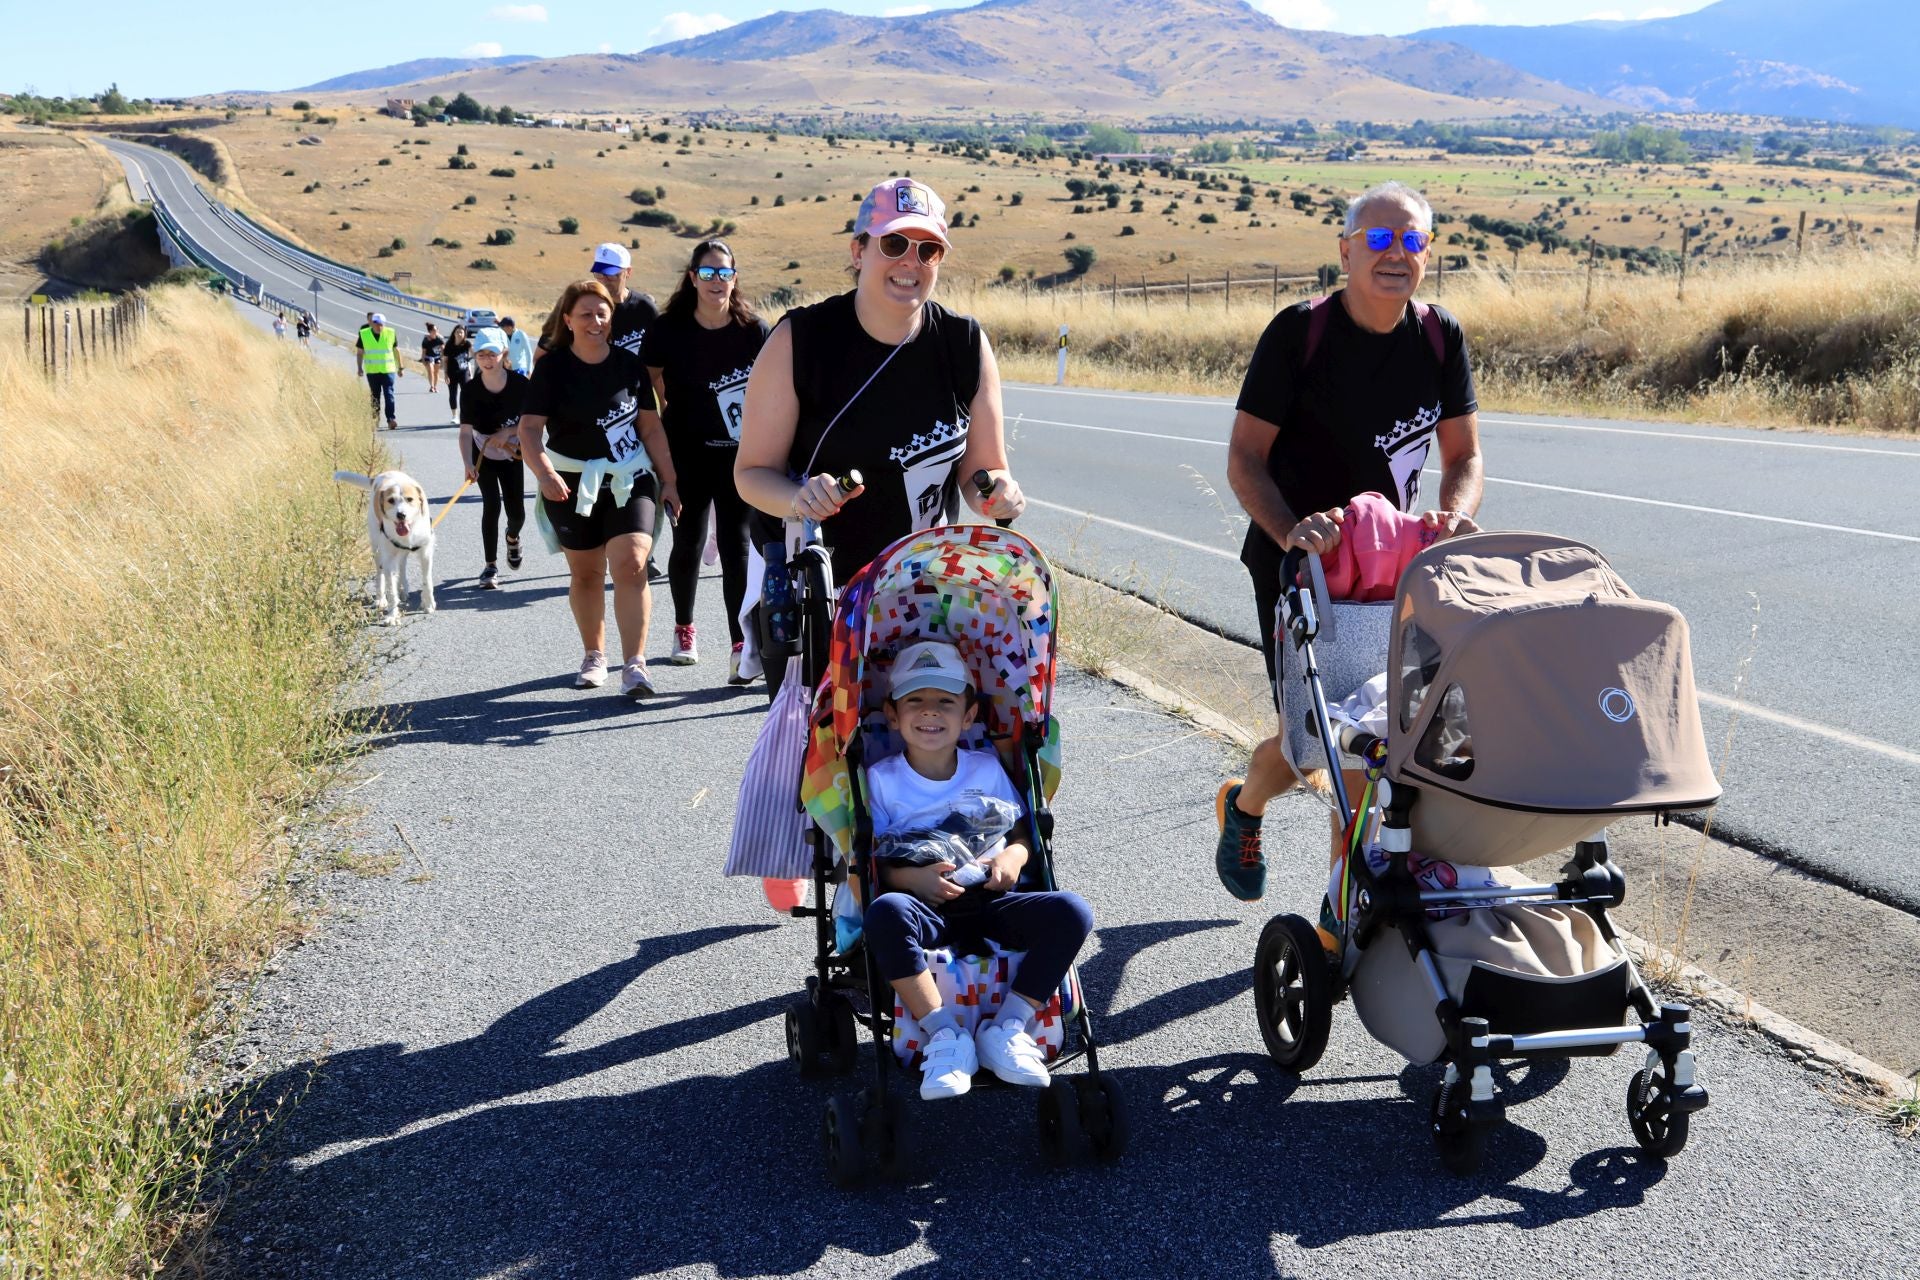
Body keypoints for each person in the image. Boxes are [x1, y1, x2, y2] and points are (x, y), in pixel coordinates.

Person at [1213, 179, 1485, 911]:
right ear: (1345, 250)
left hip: (1393, 567)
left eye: (1411, 241)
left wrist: (1453, 514)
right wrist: (1290, 531)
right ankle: (1341, 896)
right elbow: (1244, 457)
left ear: (1427, 253)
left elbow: (1463, 457)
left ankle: (1342, 904)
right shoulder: (1298, 334)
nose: (1395, 254)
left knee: (1377, 735)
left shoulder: (1438, 336)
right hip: (1301, 570)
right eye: (1378, 239)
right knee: (1326, 742)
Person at [736, 177, 1024, 697]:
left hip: (926, 590)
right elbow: (752, 474)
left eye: (928, 249)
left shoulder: (963, 344)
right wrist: (800, 497)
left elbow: (984, 469)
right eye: (893, 244)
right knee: (828, 755)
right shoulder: (801, 340)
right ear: (858, 250)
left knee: (922, 742)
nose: (910, 262)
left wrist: (997, 489)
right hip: (818, 595)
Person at [861, 640, 1093, 1101]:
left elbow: (1023, 836)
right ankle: (946, 1035)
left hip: (990, 898)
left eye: (945, 702)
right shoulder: (880, 779)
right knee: (885, 912)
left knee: (1072, 911)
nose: (930, 712)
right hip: (924, 902)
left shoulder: (985, 768)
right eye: (915, 701)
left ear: (968, 716)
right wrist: (916, 880)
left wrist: (1011, 858)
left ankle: (1008, 1027)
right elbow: (876, 867)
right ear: (892, 714)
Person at [516, 278, 680, 698]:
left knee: (631, 563)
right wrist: (544, 473)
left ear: (612, 319)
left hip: (631, 477)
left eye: (602, 313)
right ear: (568, 320)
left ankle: (635, 665)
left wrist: (671, 480)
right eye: (586, 314)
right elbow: (530, 429)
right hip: (570, 484)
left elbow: (650, 426)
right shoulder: (552, 368)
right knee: (587, 573)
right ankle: (594, 655)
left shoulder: (630, 365)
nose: (595, 321)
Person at [642, 238, 768, 680]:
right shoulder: (668, 328)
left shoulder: (753, 329)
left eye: (725, 273)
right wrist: (676, 409)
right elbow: (652, 381)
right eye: (708, 273)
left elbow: (771, 388)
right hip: (686, 453)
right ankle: (684, 628)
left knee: (737, 548)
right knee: (689, 542)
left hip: (738, 457)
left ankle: (740, 643)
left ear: (735, 277)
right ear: (693, 278)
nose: (718, 281)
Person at [578, 241, 669, 582]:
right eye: (599, 273)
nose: (604, 280)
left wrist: (667, 402)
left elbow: (662, 360)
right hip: (600, 414)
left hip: (641, 409)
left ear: (627, 273)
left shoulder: (644, 308)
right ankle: (605, 549)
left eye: (611, 274)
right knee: (610, 480)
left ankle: (644, 549)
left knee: (648, 478)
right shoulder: (589, 308)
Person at [456, 327, 528, 590]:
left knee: (517, 513)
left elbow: (533, 423)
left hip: (512, 453)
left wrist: (508, 431)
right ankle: (490, 566)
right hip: (482, 452)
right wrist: (467, 463)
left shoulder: (521, 385)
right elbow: (465, 432)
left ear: (504, 354)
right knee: (491, 506)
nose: (487, 360)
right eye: (481, 355)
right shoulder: (471, 389)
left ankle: (513, 538)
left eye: (492, 354)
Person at [355, 312, 402, 431]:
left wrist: (400, 367)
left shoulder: (390, 333)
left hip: (388, 370)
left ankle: (391, 419)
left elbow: (396, 351)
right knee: (375, 396)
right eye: (377, 324)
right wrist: (359, 367)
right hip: (372, 371)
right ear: (372, 323)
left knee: (389, 394)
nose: (379, 326)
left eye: (381, 324)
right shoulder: (364, 334)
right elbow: (360, 352)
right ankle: (375, 419)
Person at [445, 324, 473, 423]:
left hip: (464, 372)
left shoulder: (467, 344)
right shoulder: (449, 345)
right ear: (454, 333)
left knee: (465, 394)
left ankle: (465, 415)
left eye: (461, 332)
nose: (459, 334)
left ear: (464, 334)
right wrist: (445, 374)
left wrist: (470, 364)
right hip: (452, 373)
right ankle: (454, 416)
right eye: (457, 332)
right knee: (453, 394)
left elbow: (475, 354)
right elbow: (445, 361)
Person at [421, 322, 445, 394]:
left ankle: (435, 387)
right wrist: (423, 360)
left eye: (436, 330)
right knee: (430, 371)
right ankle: (431, 387)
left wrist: (443, 359)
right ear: (430, 331)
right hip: (429, 357)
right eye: (433, 330)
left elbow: (443, 349)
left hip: (437, 357)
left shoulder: (439, 339)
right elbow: (424, 351)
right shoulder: (426, 340)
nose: (435, 331)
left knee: (436, 372)